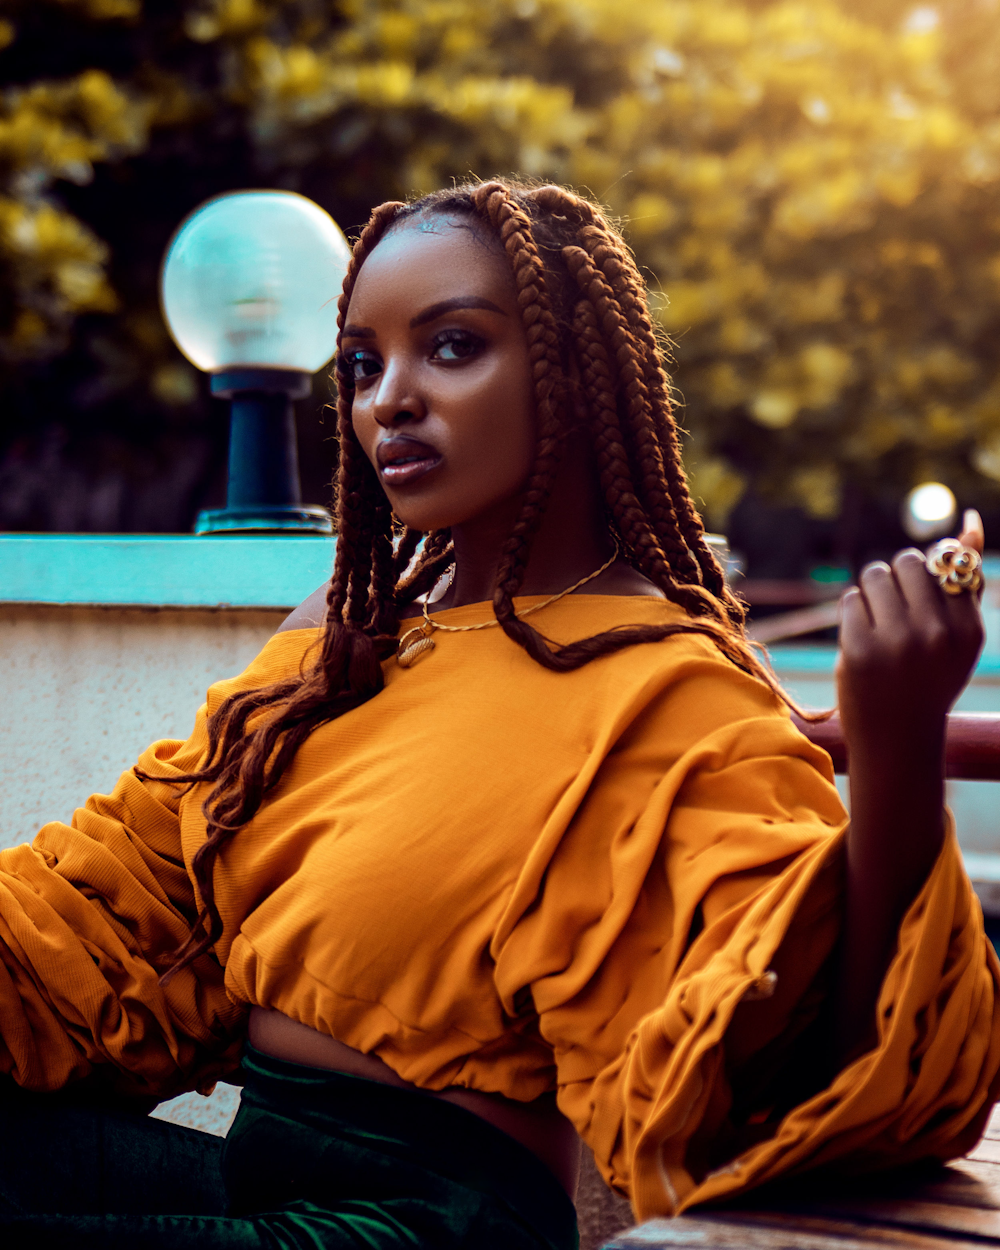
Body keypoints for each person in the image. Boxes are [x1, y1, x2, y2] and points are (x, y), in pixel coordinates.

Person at [0, 178, 997, 1249]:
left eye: (454, 345)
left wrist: (893, 756)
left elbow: (798, 1075)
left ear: (568, 375)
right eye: (362, 364)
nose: (391, 399)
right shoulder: (347, 627)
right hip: (257, 1178)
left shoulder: (669, 686)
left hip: (424, 1223)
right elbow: (123, 896)